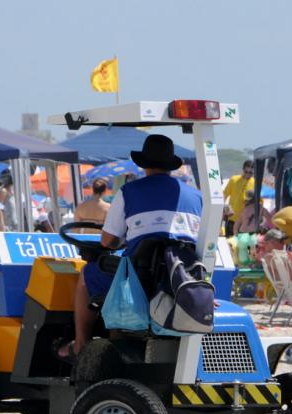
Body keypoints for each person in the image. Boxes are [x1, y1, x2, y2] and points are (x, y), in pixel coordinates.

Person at [56, 135, 202, 361]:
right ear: (170, 165)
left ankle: (80, 345)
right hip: (180, 278)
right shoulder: (197, 197)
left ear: (143, 164)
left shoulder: (129, 192)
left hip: (140, 281)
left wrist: (122, 239)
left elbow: (107, 242)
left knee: (87, 274)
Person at [222, 160, 255, 236]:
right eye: (246, 171)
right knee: (230, 244)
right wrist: (226, 208)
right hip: (232, 219)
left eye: (250, 173)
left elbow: (259, 201)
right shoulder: (234, 179)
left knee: (243, 246)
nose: (247, 174)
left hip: (246, 221)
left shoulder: (255, 182)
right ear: (242, 169)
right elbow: (224, 195)